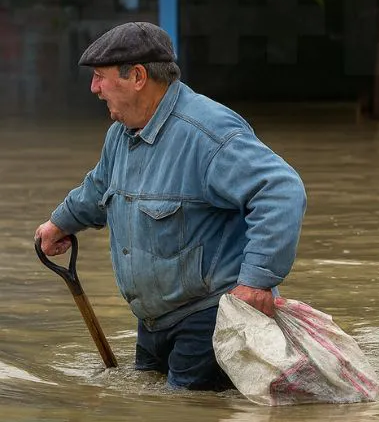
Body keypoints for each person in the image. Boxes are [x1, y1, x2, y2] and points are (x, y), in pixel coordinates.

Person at [34, 22, 308, 390]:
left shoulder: (207, 133)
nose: (94, 88)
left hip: (207, 319)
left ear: (138, 77)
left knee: (182, 410)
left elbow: (279, 190)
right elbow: (100, 185)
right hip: (153, 321)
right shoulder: (121, 132)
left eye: (100, 77)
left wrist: (258, 281)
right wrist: (59, 223)